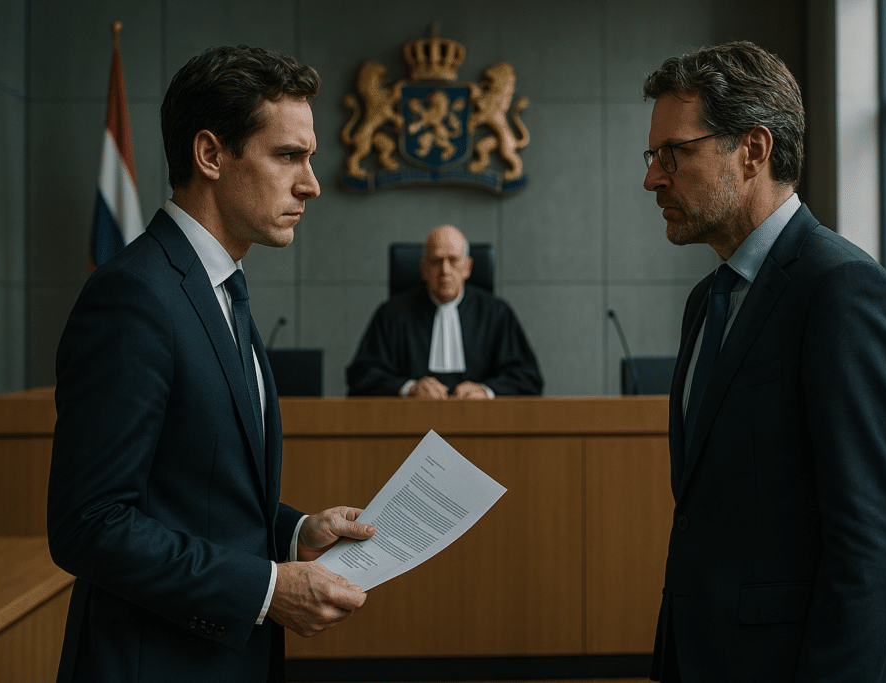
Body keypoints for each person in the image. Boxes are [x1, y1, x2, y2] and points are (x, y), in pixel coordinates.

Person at [47, 45, 377, 683]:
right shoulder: (134, 296)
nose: (310, 182)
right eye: (289, 156)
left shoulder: (218, 284)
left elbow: (190, 490)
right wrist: (265, 588)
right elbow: (89, 524)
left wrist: (295, 533)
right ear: (210, 155)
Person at [641, 41, 886, 682]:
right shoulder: (706, 300)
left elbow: (871, 547)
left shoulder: (843, 289)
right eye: (653, 156)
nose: (653, 177)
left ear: (753, 151)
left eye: (674, 153)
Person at [346, 224, 543, 398]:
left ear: (468, 267)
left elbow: (528, 378)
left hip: (480, 425)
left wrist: (486, 391)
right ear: (423, 269)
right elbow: (362, 375)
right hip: (411, 425)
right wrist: (409, 388)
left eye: (454, 260)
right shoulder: (392, 314)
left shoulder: (496, 313)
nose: (445, 271)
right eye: (436, 261)